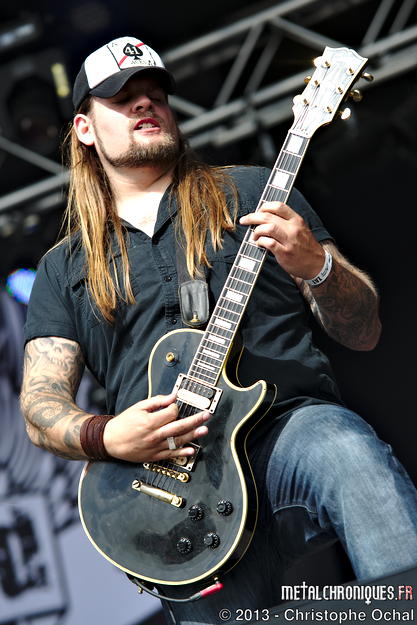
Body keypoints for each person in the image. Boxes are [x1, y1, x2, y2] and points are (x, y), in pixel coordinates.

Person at [20, 36, 417, 625]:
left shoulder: (255, 191)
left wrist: (319, 266)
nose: (145, 104)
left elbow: (364, 331)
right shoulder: (64, 267)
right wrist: (109, 435)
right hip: (170, 487)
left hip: (289, 431)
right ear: (84, 128)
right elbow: (39, 404)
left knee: (348, 453)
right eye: (122, 98)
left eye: (155, 94)